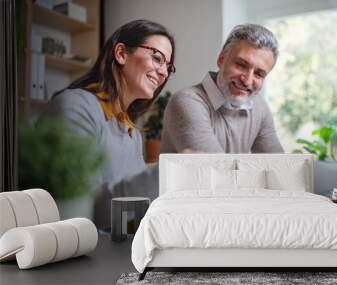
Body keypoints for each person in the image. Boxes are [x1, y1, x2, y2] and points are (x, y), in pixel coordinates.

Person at [41, 20, 176, 229]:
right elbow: (84, 213)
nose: (164, 73)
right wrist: (168, 174)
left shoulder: (133, 133)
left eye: (168, 66)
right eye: (157, 58)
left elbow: (133, 214)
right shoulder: (75, 107)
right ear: (121, 53)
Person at [161, 24, 283, 153]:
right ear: (221, 59)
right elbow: (216, 170)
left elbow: (278, 166)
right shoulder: (187, 101)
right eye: (241, 65)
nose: (247, 81)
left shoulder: (259, 107)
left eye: (259, 74)